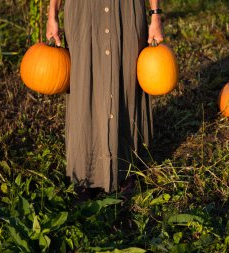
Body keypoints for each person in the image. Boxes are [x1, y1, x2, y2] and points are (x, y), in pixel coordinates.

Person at [46, 0, 164, 193]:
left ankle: (125, 169)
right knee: (84, 85)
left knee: (127, 79)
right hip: (83, 11)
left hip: (126, 10)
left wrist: (156, 15)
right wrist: (52, 14)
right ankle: (85, 172)